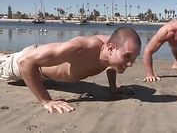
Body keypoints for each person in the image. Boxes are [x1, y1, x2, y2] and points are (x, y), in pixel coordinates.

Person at [0, 27, 141, 113]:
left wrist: (113, 88)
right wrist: (46, 101)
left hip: (43, 64)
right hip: (22, 65)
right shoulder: (82, 47)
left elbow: (111, 65)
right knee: (5, 64)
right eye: (127, 56)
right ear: (110, 48)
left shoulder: (112, 47)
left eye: (134, 58)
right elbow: (26, 62)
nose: (130, 64)